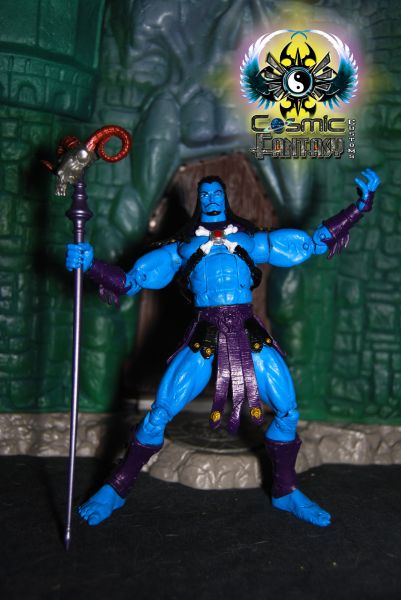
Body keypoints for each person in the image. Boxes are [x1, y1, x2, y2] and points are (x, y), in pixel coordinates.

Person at [66, 169, 380, 527]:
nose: (212, 199)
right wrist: (91, 265)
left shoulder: (250, 240)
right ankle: (117, 487)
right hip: (206, 332)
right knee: (159, 413)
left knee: (288, 410)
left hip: (247, 330)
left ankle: (286, 490)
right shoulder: (181, 249)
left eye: (217, 193)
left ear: (225, 199)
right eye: (205, 195)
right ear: (198, 202)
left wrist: (359, 208)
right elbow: (129, 281)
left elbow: (312, 244)